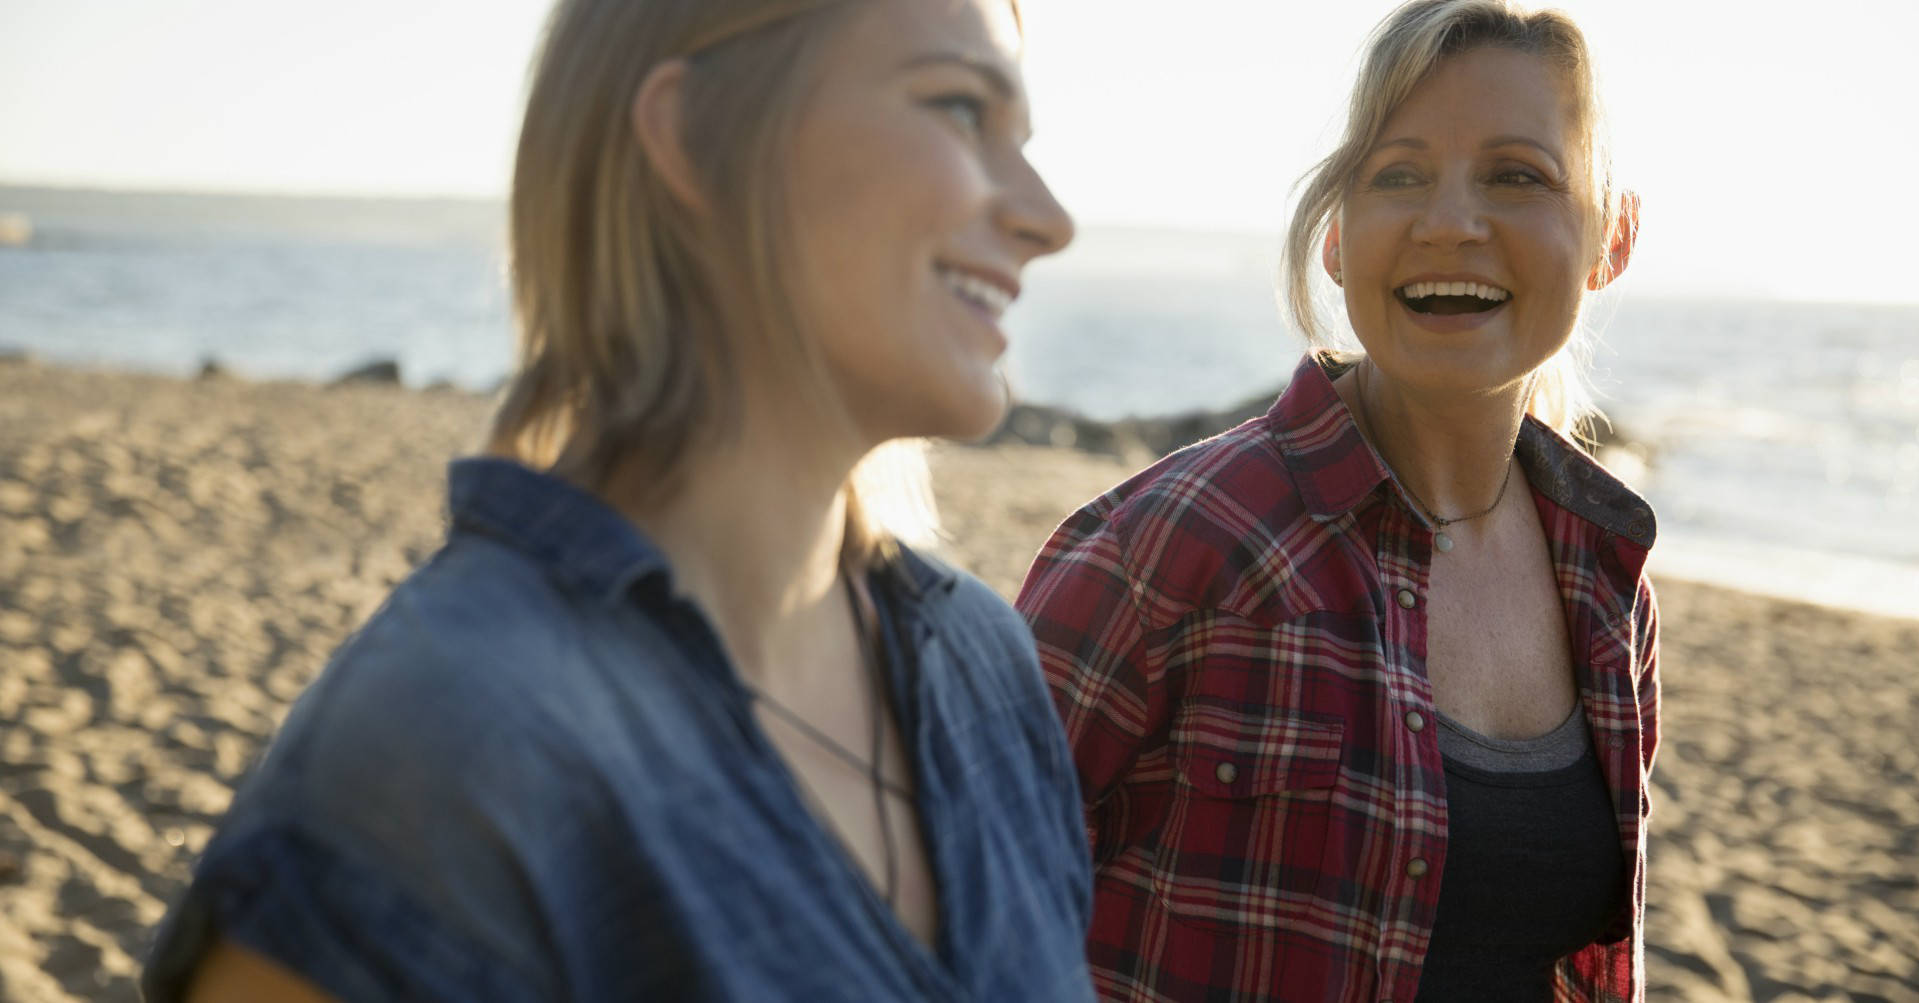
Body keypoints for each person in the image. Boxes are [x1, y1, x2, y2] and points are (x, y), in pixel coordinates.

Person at [142, 0, 1093, 1000]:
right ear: (693, 137)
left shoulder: (985, 670)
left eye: (1021, 136)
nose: (1049, 219)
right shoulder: (447, 754)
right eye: (958, 108)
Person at [1017, 1, 1657, 999]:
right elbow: (945, 908)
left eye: (1517, 175)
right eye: (1398, 174)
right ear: (1337, 235)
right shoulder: (1172, 543)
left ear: (1611, 236)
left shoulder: (1607, 576)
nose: (1450, 222)